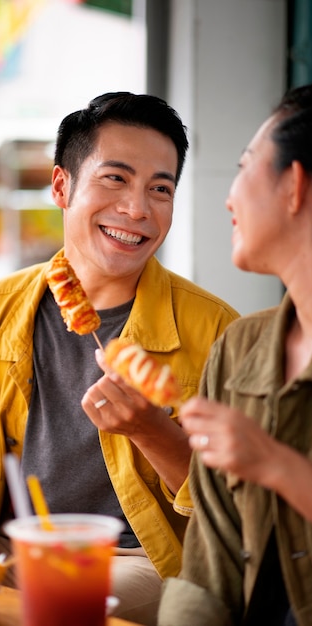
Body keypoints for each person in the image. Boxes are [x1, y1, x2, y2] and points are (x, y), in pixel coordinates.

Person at [0, 92, 238, 626]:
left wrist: (151, 429)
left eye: (161, 188)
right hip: (4, 547)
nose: (137, 209)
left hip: (138, 561)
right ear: (62, 186)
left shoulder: (219, 332)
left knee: (51, 613)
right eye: (115, 178)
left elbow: (237, 505)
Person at [158, 83, 312, 626]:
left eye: (245, 166)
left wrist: (276, 464)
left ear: (294, 186)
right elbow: (207, 567)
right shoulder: (241, 347)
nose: (227, 197)